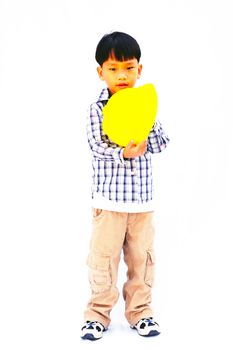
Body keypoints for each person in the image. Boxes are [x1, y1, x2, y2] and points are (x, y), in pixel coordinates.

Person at [81, 31, 170, 341]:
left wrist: (149, 126)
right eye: (113, 68)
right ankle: (97, 315)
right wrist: (123, 152)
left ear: (139, 70)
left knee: (141, 260)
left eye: (129, 68)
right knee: (103, 261)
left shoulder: (146, 105)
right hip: (109, 203)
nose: (122, 75)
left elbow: (161, 144)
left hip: (142, 204)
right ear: (101, 72)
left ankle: (140, 312)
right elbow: (97, 146)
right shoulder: (98, 109)